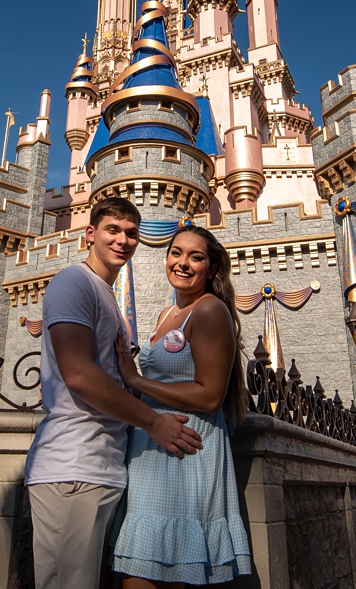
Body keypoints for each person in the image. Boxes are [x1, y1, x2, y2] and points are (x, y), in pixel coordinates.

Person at [24, 198, 204, 589]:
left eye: (131, 233)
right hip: (72, 467)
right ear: (90, 234)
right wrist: (155, 423)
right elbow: (79, 375)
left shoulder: (106, 295)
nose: (123, 240)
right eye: (112, 230)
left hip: (103, 468)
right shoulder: (73, 282)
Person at [111, 224, 254, 587]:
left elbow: (210, 395)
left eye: (196, 257)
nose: (183, 263)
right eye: (176, 253)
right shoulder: (165, 316)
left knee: (167, 571)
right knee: (142, 568)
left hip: (187, 449)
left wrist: (136, 379)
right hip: (152, 447)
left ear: (212, 268)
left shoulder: (209, 310)